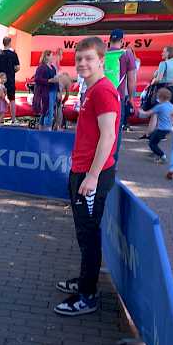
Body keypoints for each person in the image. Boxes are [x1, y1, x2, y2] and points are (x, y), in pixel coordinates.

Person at [54, 37, 119, 316]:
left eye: (89, 58)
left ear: (101, 60)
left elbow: (109, 135)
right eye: (79, 59)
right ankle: (84, 281)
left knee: (89, 235)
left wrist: (92, 177)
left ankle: (88, 296)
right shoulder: (90, 89)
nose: (82, 63)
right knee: (84, 234)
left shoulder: (104, 91)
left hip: (91, 176)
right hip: (81, 171)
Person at [108, 29, 137, 134]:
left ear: (109, 40)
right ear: (122, 41)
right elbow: (131, 79)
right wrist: (130, 98)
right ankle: (114, 150)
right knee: (116, 127)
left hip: (101, 94)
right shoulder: (127, 54)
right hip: (118, 96)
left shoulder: (102, 54)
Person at [137, 87, 173, 163]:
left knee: (152, 143)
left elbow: (147, 113)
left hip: (161, 129)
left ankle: (162, 155)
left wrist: (140, 110)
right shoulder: (171, 105)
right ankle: (155, 152)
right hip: (168, 129)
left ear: (160, 97)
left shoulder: (159, 107)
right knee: (152, 137)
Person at [0, 36, 20, 123]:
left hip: (0, 81)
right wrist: (11, 70)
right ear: (10, 43)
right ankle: (13, 119)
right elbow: (17, 67)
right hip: (10, 79)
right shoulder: (13, 54)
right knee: (12, 99)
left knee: (0, 98)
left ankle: (0, 118)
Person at [32, 50, 58, 130]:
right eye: (51, 55)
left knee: (49, 110)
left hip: (53, 91)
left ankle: (43, 128)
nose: (53, 57)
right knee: (47, 111)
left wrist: (59, 91)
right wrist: (48, 81)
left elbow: (55, 80)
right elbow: (37, 79)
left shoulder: (53, 67)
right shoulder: (42, 67)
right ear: (46, 56)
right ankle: (47, 128)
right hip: (46, 91)